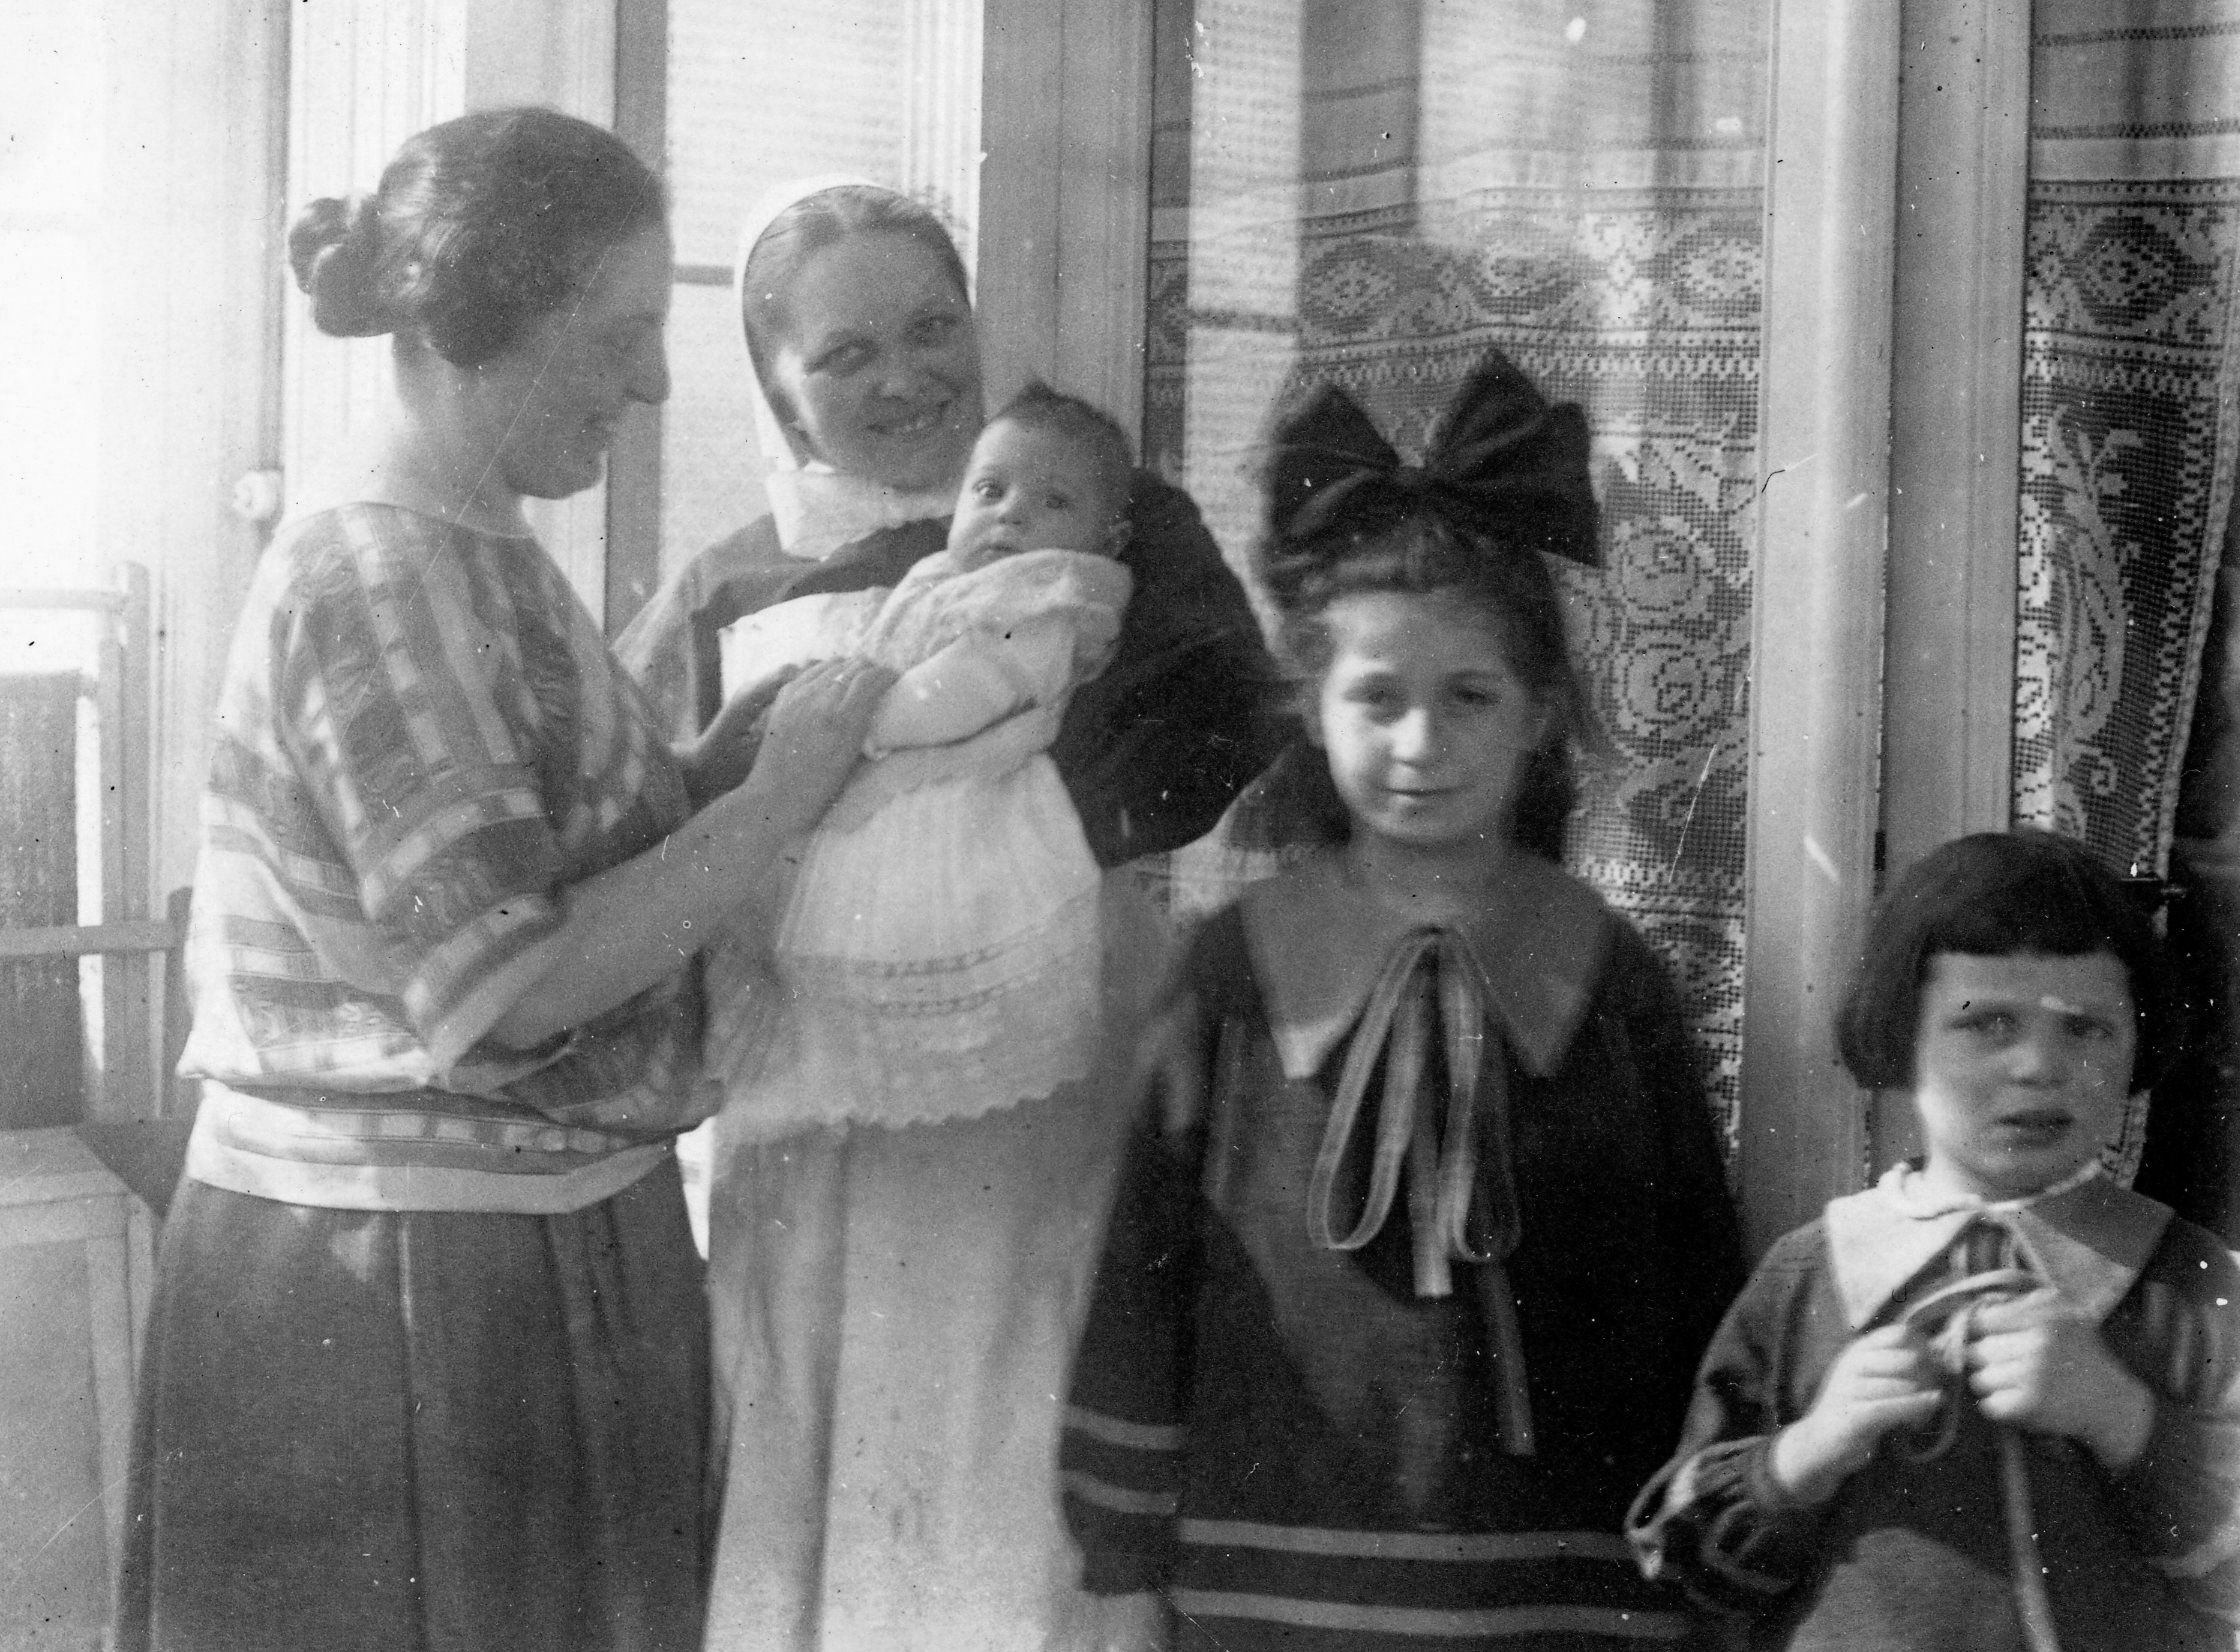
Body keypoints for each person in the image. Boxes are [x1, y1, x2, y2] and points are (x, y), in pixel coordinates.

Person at [114, 109, 889, 1652]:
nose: (657, 381)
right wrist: (778, 801)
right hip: (396, 1288)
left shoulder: (481, 543)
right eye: (615, 334)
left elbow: (531, 850)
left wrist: (711, 768)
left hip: (511, 1251)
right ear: (480, 322)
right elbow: (510, 982)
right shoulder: (374, 573)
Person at [614, 179, 1280, 1650]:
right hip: (811, 1086)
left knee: (1018, 1402)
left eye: (932, 327)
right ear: (778, 386)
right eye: (844, 356)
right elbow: (637, 804)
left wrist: (1019, 834)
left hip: (1037, 1044)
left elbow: (1229, 712)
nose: (905, 378)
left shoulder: (1104, 516)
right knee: (817, 1411)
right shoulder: (731, 575)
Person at [1058, 355, 1745, 1652]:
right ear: (1314, 709)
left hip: (1557, 1590)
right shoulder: (1237, 976)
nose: (1422, 744)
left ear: (1540, 714)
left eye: (1469, 697)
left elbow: (1693, 1282)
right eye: (1378, 698)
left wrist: (1703, 1546)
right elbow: (1149, 1265)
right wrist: (1123, 1537)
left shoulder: (1608, 979)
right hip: (1277, 1584)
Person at [1628, 829, 2240, 1651]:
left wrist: (2123, 1418)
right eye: (1988, 1023)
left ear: (2139, 1041)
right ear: (1900, 1035)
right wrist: (1806, 1454)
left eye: (2087, 1029)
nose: (2038, 1066)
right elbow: (1680, 1562)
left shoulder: (2188, 1280)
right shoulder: (1815, 1274)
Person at [709, 382, 1139, 1139]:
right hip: (890, 788)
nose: (1011, 514)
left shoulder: (1045, 605)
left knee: (928, 943)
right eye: (990, 489)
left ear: (1104, 539)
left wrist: (859, 722)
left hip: (962, 806)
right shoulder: (942, 579)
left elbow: (964, 692)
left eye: (1053, 504)